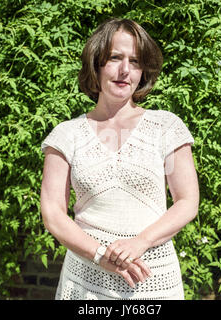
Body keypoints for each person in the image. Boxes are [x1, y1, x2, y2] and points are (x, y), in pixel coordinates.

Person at [40, 18, 199, 300]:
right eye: (115, 58)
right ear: (96, 63)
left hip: (154, 280)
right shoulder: (66, 135)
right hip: (84, 283)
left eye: (135, 61)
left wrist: (141, 242)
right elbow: (53, 212)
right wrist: (101, 255)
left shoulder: (166, 128)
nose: (125, 70)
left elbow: (187, 202)